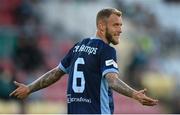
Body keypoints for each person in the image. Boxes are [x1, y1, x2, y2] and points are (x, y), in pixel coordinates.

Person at [10, 8, 158, 114]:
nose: (120, 30)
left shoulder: (78, 47)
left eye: (120, 25)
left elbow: (56, 73)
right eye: (115, 25)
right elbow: (112, 81)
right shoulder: (106, 50)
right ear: (101, 26)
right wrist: (134, 94)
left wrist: (29, 88)